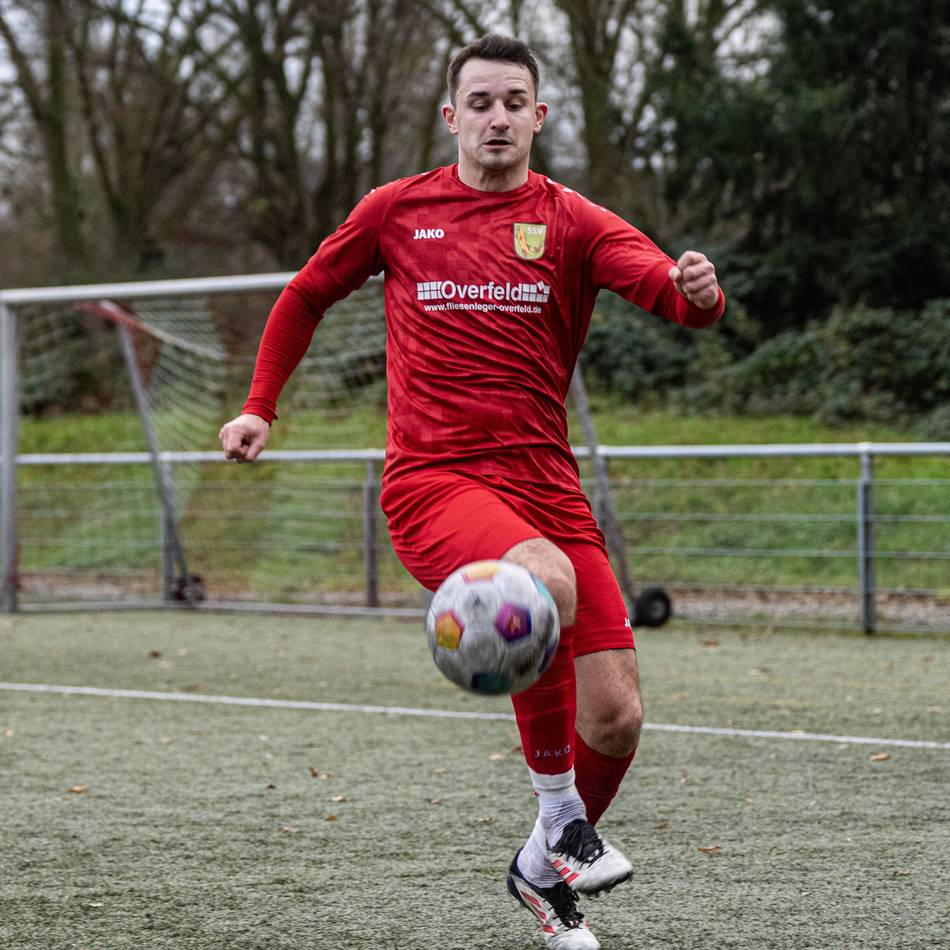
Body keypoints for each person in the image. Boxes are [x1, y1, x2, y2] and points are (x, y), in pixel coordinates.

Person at [220, 33, 724, 950]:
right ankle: (566, 822)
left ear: (540, 115)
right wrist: (260, 404)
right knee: (545, 582)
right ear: (452, 117)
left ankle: (537, 874)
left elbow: (667, 294)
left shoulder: (570, 220)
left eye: (514, 102)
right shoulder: (397, 211)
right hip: (434, 483)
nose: (498, 117)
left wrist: (697, 290)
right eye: (480, 102)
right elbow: (304, 295)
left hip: (547, 487)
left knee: (616, 716)